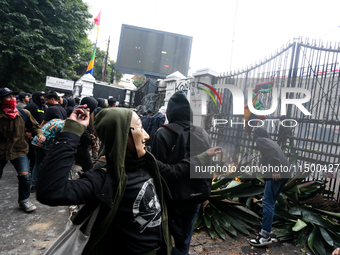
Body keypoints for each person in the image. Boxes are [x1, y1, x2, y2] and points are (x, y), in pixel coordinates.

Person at [36, 105, 221, 254]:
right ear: (121, 134)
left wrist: (204, 156)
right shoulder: (103, 179)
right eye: (140, 127)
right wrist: (71, 132)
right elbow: (50, 191)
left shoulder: (149, 163)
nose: (147, 135)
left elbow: (174, 171)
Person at [152, 91, 211, 255]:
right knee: (185, 237)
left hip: (170, 199)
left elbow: (157, 171)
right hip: (195, 195)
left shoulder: (162, 133)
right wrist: (206, 194)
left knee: (163, 236)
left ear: (170, 112)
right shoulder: (203, 133)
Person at [0, 87, 45, 212]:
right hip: (1, 151)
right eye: (8, 97)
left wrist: (39, 134)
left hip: (19, 150)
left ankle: (24, 200)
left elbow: (35, 126)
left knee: (25, 176)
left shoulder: (24, 113)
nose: (12, 99)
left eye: (13, 97)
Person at [248, 127, 290, 246]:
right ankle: (266, 233)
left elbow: (272, 153)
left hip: (277, 174)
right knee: (270, 202)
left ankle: (265, 236)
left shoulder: (260, 140)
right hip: (285, 174)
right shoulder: (271, 141)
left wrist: (275, 169)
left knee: (268, 202)